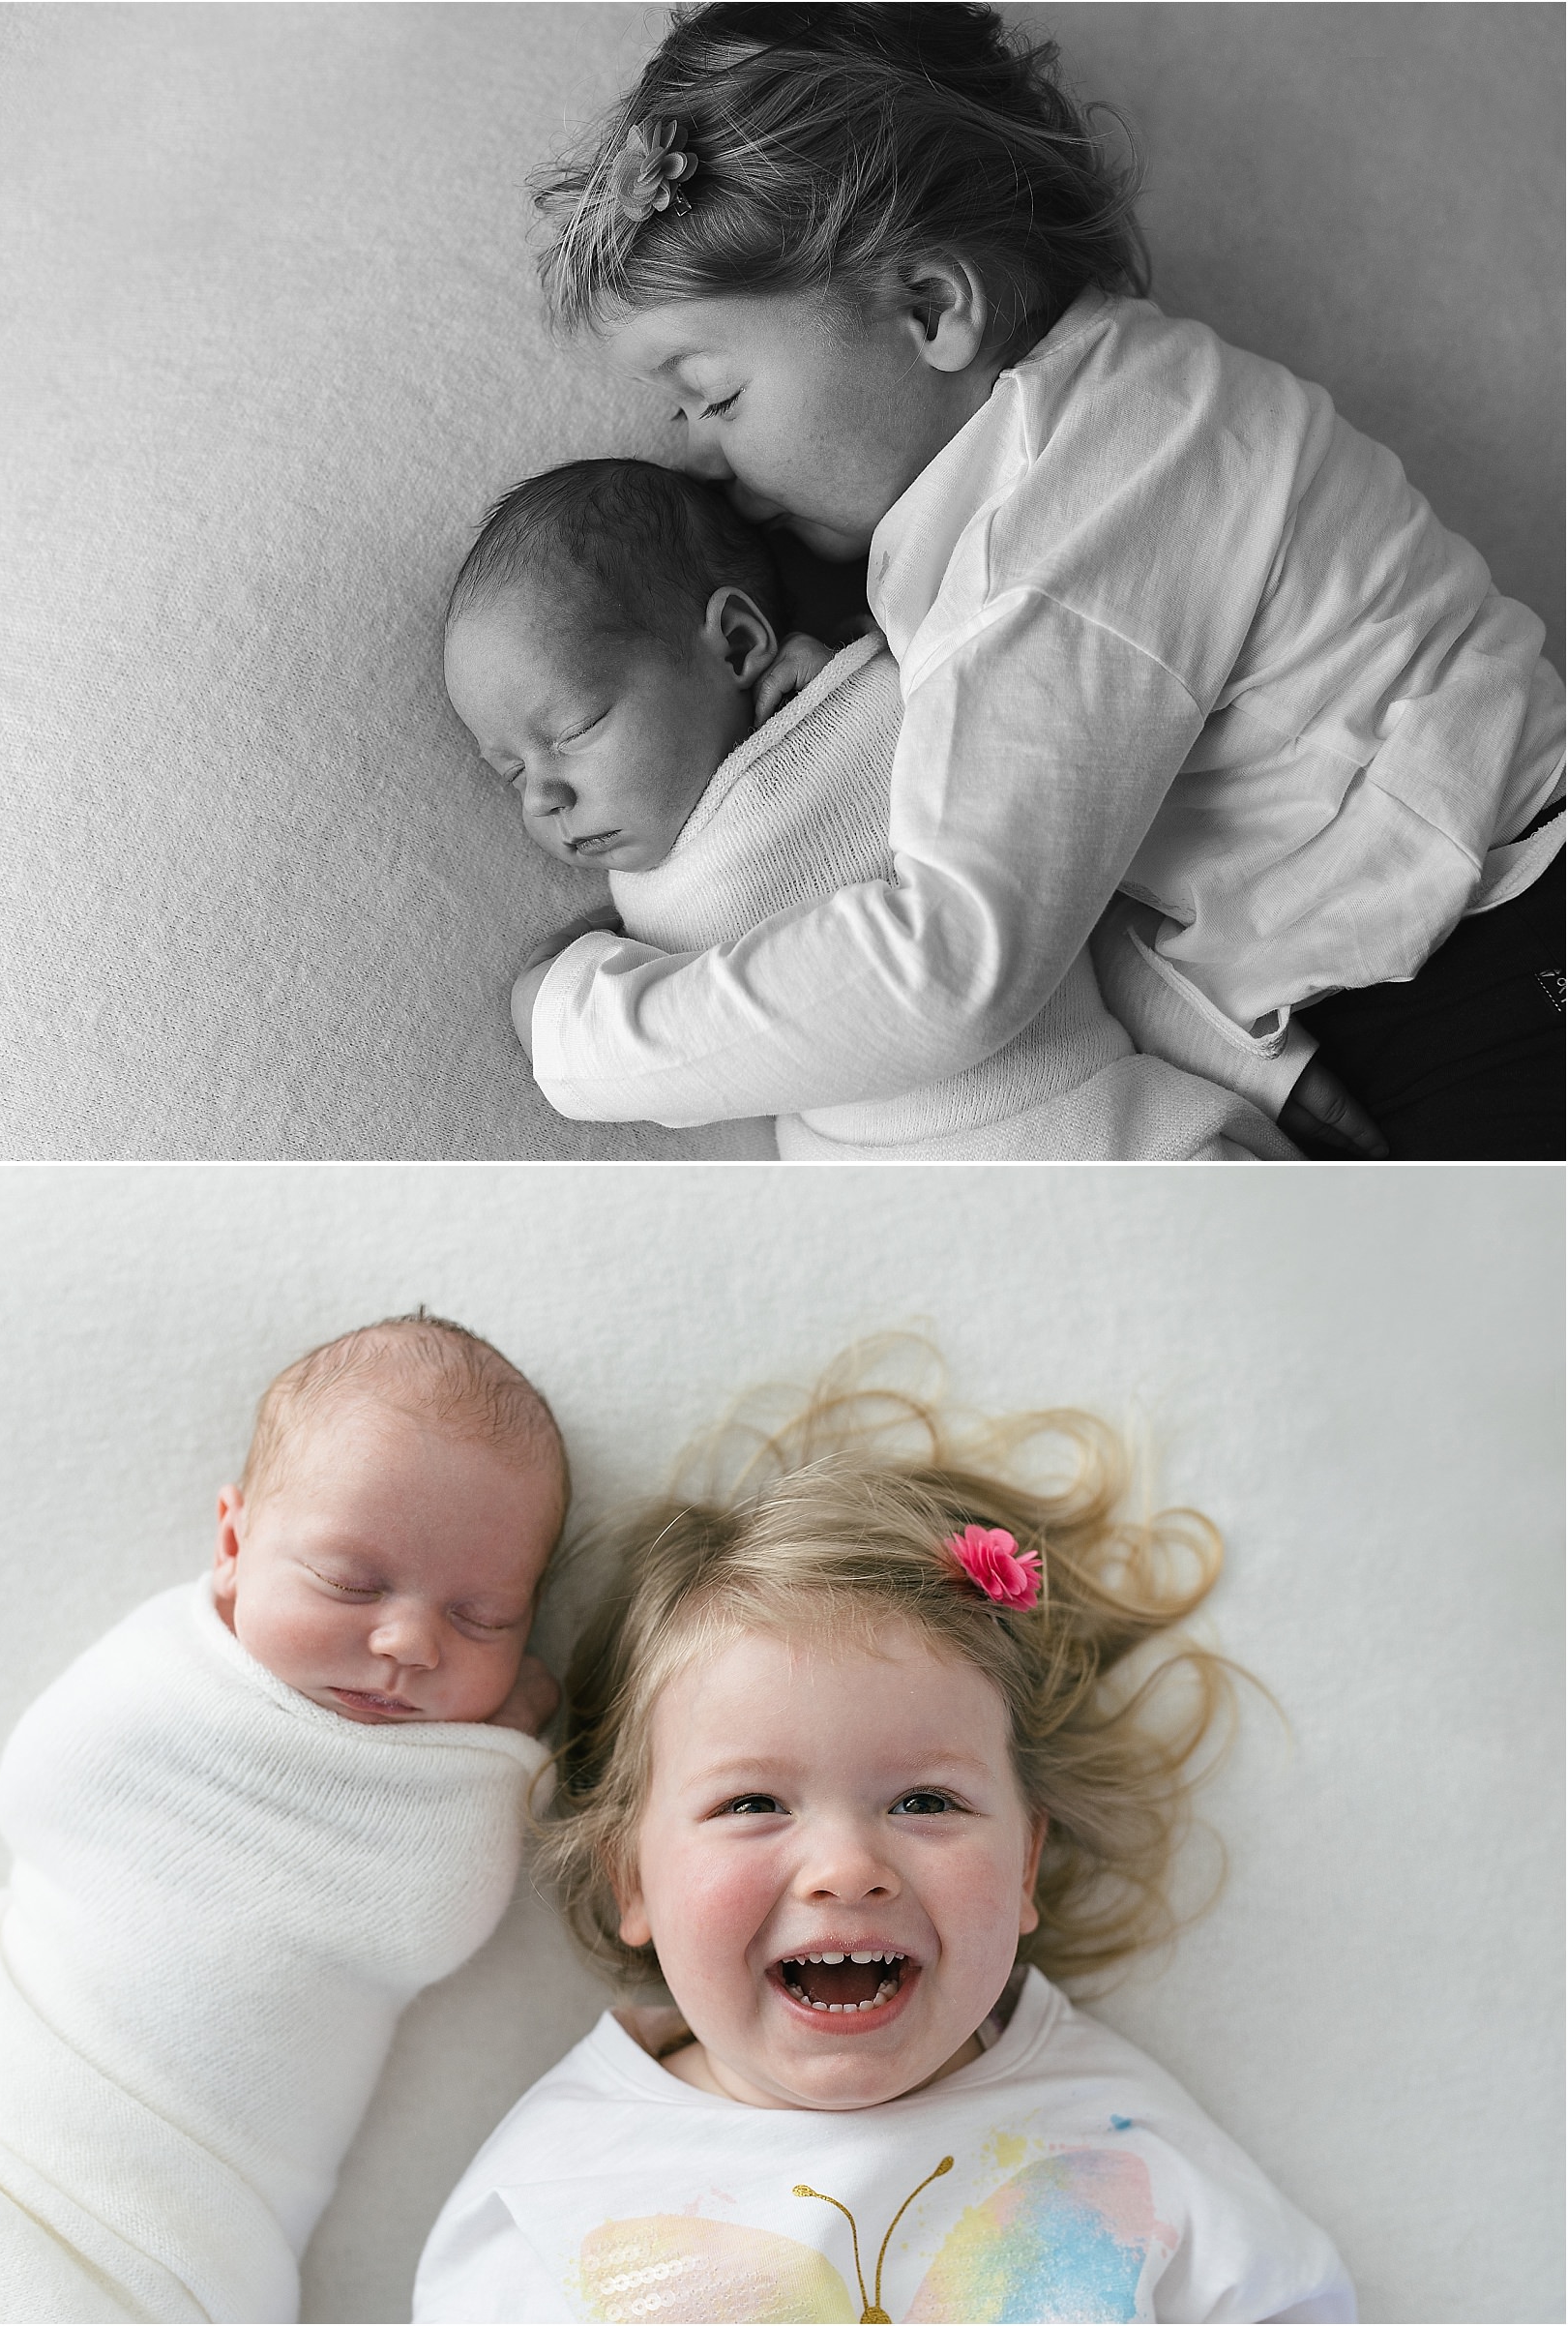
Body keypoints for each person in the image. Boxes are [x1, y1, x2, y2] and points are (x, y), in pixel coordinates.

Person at [511, 3, 1564, 1161]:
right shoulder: (1101, 425)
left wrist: (580, 1029)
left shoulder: (1067, 515)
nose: (697, 455)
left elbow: (955, 965)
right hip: (1431, 953)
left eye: (714, 395)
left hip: (1499, 935)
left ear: (931, 309)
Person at [413, 1357, 1353, 2323]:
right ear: (631, 1877)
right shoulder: (562, 2184)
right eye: (752, 1804)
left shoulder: (1110, 2136)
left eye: (925, 1802)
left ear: (1025, 1860)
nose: (848, 1869)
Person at [0, 1312, 565, 2326]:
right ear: (232, 1543)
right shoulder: (158, 1684)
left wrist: (493, 1762)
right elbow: (48, 1785)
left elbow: (425, 1914)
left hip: (160, 2250)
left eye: (481, 1618)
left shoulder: (443, 1798)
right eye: (351, 1583)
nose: (405, 1641)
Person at [445, 456, 1295, 1158]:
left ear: (738, 643)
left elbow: (1078, 888)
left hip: (1119, 1140)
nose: (545, 798)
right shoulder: (659, 901)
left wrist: (559, 1014)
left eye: (574, 727)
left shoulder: (906, 708)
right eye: (509, 774)